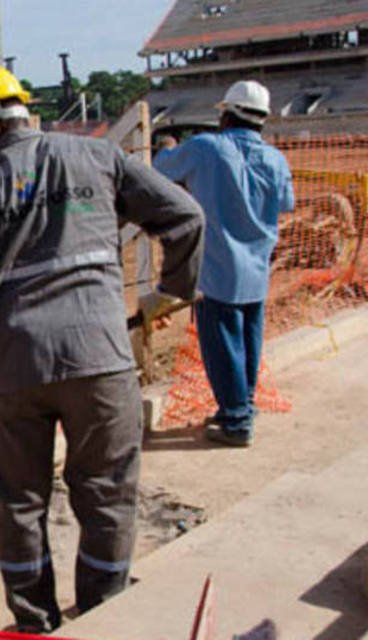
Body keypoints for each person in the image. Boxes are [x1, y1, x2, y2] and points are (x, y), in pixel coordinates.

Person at [0, 66, 205, 633]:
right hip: (100, 358)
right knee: (106, 493)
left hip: (11, 372)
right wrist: (170, 294)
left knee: (19, 502)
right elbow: (186, 216)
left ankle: (35, 624)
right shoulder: (99, 158)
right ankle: (107, 616)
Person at [154, 80, 295, 448]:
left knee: (222, 347)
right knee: (248, 342)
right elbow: (285, 203)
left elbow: (162, 168)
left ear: (227, 114)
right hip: (256, 267)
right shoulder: (276, 159)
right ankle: (241, 406)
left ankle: (235, 420)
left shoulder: (206, 148)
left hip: (217, 269)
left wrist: (167, 145)